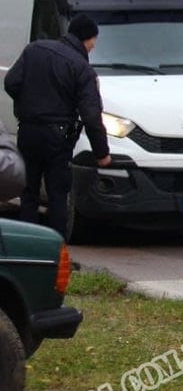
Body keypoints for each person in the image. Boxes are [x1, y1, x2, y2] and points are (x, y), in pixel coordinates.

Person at [4, 14, 111, 237]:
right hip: (58, 137)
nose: (94, 45)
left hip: (28, 131)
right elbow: (91, 115)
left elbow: (11, 82)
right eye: (94, 40)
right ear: (87, 38)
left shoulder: (34, 50)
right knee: (57, 195)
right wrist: (102, 153)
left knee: (29, 191)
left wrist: (28, 105)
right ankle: (55, 251)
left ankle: (27, 246)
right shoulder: (82, 69)